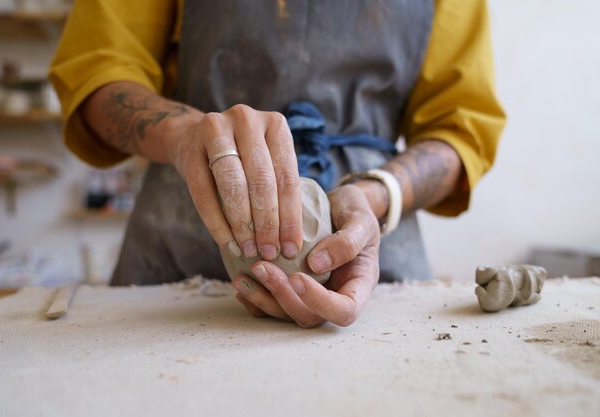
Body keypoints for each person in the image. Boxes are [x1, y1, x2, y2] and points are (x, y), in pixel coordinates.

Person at [50, 0, 505, 328]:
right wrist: (188, 134)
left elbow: (461, 130)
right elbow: (97, 72)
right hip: (185, 232)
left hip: (369, 233)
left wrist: (375, 193)